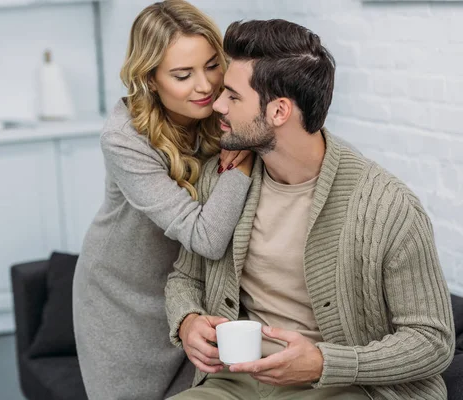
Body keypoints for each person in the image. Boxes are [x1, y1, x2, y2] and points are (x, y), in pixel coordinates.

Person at [166, 19, 455, 400]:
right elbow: (185, 277)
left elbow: (432, 340)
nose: (217, 105)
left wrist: (324, 362)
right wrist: (187, 321)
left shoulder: (388, 207)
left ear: (279, 111)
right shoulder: (222, 179)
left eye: (233, 97)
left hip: (340, 385)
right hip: (233, 381)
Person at [72, 1, 255, 399]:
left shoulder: (226, 107)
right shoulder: (124, 138)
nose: (205, 85)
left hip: (187, 291)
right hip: (119, 303)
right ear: (150, 79)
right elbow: (204, 236)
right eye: (182, 75)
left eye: (211, 65)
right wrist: (240, 166)